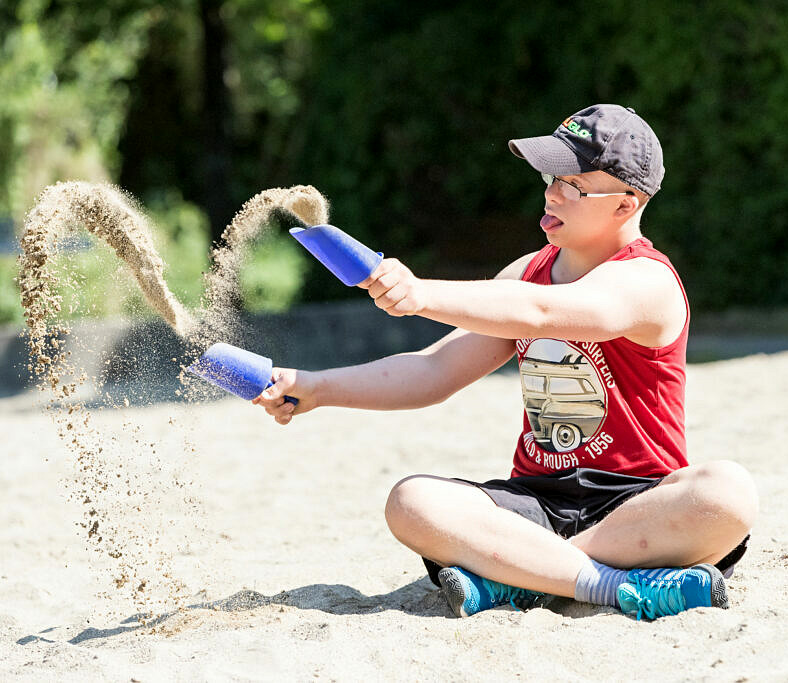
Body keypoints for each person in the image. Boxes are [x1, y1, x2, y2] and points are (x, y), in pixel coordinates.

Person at [253, 104, 758, 620]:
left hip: (637, 510)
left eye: (574, 184)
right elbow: (434, 372)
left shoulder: (647, 280)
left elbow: (543, 313)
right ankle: (606, 585)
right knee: (412, 502)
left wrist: (419, 293)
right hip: (533, 505)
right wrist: (317, 387)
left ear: (626, 205)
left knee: (726, 494)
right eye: (550, 175)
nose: (552, 192)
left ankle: (523, 577)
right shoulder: (527, 271)